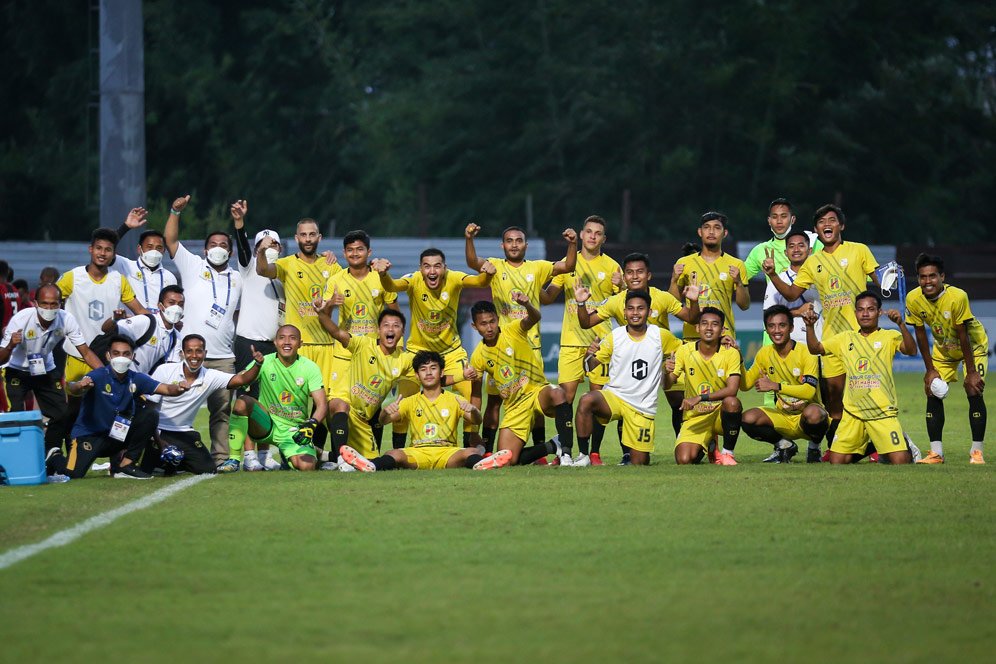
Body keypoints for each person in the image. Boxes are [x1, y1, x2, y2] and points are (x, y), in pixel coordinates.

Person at [763, 204, 879, 451]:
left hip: (861, 338)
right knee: (833, 400)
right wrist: (773, 275)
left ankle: (878, 446)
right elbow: (793, 292)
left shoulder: (859, 251)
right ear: (817, 229)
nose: (827, 224)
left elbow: (880, 282)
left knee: (866, 395)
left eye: (832, 220)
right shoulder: (813, 262)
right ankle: (835, 449)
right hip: (830, 342)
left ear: (841, 226)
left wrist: (891, 283)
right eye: (822, 222)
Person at [464, 223, 577, 455]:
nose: (514, 244)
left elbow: (568, 265)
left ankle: (539, 452)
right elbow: (473, 262)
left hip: (529, 344)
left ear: (525, 245)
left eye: (518, 241)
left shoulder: (537, 267)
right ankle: (487, 449)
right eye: (509, 241)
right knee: (494, 401)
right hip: (498, 346)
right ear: (502, 245)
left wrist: (573, 243)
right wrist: (469, 238)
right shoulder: (494, 266)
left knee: (535, 400)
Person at [374, 248, 495, 447]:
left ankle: (470, 443)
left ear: (444, 268)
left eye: (437, 266)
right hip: (417, 352)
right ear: (420, 269)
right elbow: (392, 286)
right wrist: (383, 274)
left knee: (471, 385)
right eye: (427, 266)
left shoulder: (454, 278)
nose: (432, 271)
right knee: (404, 396)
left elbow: (479, 282)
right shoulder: (413, 280)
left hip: (451, 352)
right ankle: (398, 451)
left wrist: (488, 275)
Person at [577, 252, 700, 440]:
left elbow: (692, 318)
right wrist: (580, 304)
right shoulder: (616, 301)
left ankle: (682, 443)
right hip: (634, 358)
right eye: (630, 272)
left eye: (640, 272)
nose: (634, 276)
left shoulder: (663, 297)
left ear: (649, 275)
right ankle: (626, 453)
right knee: (625, 400)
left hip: (665, 357)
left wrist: (694, 301)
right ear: (624, 276)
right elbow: (587, 322)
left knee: (678, 401)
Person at [163, 194, 244, 467]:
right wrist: (175, 212)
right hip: (187, 355)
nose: (218, 248)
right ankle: (169, 454)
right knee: (174, 406)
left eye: (223, 245)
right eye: (213, 245)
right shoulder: (193, 266)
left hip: (223, 356)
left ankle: (221, 457)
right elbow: (171, 241)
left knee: (221, 412)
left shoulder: (238, 277)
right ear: (204, 250)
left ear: (230, 252)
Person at [45, 335, 190, 479]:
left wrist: (179, 388)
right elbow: (73, 388)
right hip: (90, 435)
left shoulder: (136, 378)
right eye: (116, 353)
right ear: (108, 356)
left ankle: (126, 465)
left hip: (117, 435)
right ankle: (54, 456)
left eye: (126, 354)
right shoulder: (99, 375)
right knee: (73, 474)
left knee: (150, 415)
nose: (121, 358)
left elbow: (166, 389)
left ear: (133, 356)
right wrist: (79, 385)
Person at [340, 351, 510, 472]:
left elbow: (477, 421)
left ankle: (482, 464)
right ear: (417, 375)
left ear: (442, 372)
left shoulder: (454, 399)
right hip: (418, 452)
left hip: (447, 452)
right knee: (393, 453)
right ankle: (371, 466)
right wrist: (385, 411)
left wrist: (473, 410)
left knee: (470, 452)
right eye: (423, 369)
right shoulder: (410, 401)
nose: (428, 373)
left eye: (433, 368)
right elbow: (384, 421)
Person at [541, 215, 621, 463]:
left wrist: (623, 285)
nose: (592, 236)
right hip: (571, 341)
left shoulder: (612, 267)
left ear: (603, 239)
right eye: (589, 231)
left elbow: (625, 305)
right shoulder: (568, 263)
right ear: (582, 234)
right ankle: (564, 450)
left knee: (597, 399)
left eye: (598, 233)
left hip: (601, 343)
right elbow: (547, 297)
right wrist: (533, 282)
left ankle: (593, 453)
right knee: (564, 400)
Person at [803, 291, 917, 464]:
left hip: (881, 412)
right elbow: (815, 349)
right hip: (853, 413)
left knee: (901, 461)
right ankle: (875, 447)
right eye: (860, 310)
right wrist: (810, 327)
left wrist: (901, 324)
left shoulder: (888, 336)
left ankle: (903, 444)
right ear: (855, 312)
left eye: (870, 309)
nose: (865, 314)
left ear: (879, 312)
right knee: (837, 461)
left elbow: (911, 350)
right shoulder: (845, 338)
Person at [576, 290, 683, 466]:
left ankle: (636, 454)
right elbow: (588, 367)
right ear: (624, 312)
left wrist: (720, 341)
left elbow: (686, 350)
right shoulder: (615, 337)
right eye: (631, 309)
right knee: (587, 400)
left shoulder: (660, 335)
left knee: (640, 462)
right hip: (615, 398)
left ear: (649, 312)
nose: (635, 313)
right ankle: (583, 456)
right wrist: (588, 355)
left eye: (640, 309)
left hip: (642, 407)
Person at [465, 298, 574, 466]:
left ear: (497, 319)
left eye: (492, 321)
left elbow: (535, 318)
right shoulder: (478, 355)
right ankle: (553, 445)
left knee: (558, 393)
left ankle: (566, 454)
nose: (489, 328)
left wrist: (527, 305)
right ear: (475, 326)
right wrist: (473, 430)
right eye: (483, 324)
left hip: (537, 391)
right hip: (514, 407)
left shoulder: (513, 330)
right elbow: (477, 395)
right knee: (509, 459)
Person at [0, 284, 103, 456]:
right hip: (16, 370)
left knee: (61, 415)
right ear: (35, 303)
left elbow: (85, 351)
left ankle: (50, 455)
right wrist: (10, 345)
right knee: (15, 417)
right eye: (44, 304)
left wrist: (106, 374)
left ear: (60, 304)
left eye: (54, 304)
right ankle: (17, 458)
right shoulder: (20, 320)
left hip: (45, 370)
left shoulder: (66, 319)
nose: (49, 308)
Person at [905, 254, 988, 464]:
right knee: (932, 390)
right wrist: (930, 370)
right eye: (923, 277)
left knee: (973, 388)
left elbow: (963, 334)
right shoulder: (913, 298)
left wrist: (971, 372)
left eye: (933, 276)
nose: (928, 281)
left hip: (973, 346)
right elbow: (921, 334)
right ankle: (936, 453)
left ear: (942, 277)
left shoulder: (958, 296)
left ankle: (976, 452)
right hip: (944, 349)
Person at [322, 230, 400, 452]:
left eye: (359, 249)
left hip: (374, 353)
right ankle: (340, 457)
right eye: (350, 250)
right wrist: (329, 305)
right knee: (337, 404)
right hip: (345, 352)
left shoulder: (380, 276)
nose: (355, 254)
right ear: (344, 253)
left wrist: (394, 349)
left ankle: (370, 455)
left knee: (372, 408)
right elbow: (324, 318)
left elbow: (394, 315)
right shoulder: (336, 280)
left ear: (369, 252)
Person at [314, 301, 412, 470]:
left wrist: (462, 375)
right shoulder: (364, 344)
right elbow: (337, 332)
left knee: (369, 461)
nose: (390, 329)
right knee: (340, 404)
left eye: (396, 326)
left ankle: (323, 456)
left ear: (402, 332)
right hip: (343, 408)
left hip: (362, 420)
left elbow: (428, 376)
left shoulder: (404, 360)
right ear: (378, 330)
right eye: (386, 325)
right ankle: (340, 460)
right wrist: (322, 314)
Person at [147, 335, 264, 474]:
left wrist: (257, 364)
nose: (194, 356)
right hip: (158, 431)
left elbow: (241, 379)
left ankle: (173, 462)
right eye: (189, 351)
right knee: (147, 466)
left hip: (184, 431)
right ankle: (160, 460)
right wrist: (159, 440)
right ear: (182, 353)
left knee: (207, 469)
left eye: (199, 351)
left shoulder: (210, 376)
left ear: (205, 353)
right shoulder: (164, 370)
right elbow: (148, 410)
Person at [228, 325, 327, 471]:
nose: (286, 342)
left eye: (292, 338)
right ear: (275, 342)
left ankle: (308, 456)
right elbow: (240, 381)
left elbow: (322, 405)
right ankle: (238, 459)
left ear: (300, 343)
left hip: (293, 431)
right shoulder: (265, 361)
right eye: (282, 338)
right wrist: (256, 366)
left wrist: (311, 424)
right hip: (266, 424)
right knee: (242, 402)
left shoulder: (310, 367)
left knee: (307, 466)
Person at [56, 227, 147, 384]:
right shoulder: (72, 277)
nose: (102, 253)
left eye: (108, 250)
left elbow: (140, 311)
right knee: (73, 404)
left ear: (113, 254)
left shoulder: (119, 279)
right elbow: (50, 300)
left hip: (106, 356)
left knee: (105, 404)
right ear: (90, 249)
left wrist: (162, 322)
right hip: (75, 353)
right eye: (98, 248)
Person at [740, 305, 829, 463]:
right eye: (771, 326)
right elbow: (745, 384)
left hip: (807, 415)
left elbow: (809, 392)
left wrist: (776, 386)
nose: (777, 331)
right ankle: (784, 445)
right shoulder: (764, 354)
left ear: (791, 328)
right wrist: (738, 358)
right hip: (782, 416)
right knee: (748, 418)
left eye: (782, 325)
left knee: (815, 414)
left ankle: (814, 448)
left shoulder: (806, 352)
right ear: (766, 330)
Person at [664, 307, 744, 465]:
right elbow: (667, 385)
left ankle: (727, 453)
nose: (709, 328)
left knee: (732, 403)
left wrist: (700, 397)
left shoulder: (730, 352)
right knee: (684, 460)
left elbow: (732, 389)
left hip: (721, 414)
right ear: (697, 327)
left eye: (714, 324)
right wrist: (666, 372)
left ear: (722, 330)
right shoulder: (684, 351)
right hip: (696, 416)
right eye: (704, 323)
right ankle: (708, 444)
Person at [669, 212, 750, 342]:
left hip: (724, 336)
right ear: (700, 232)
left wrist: (739, 283)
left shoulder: (736, 264)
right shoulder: (684, 263)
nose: (711, 232)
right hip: (692, 337)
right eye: (707, 227)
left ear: (725, 233)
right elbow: (673, 304)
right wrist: (673, 281)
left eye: (717, 228)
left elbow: (744, 305)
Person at [99, 285, 184, 374]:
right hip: (117, 376)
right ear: (160, 305)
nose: (176, 308)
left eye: (180, 305)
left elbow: (170, 369)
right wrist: (114, 318)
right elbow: (106, 329)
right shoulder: (146, 321)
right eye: (171, 303)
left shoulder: (176, 337)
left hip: (141, 383)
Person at [762, 229, 823, 343]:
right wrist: (797, 312)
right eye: (791, 246)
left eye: (801, 245)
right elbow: (768, 318)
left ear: (810, 250)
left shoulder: (821, 278)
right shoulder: (776, 281)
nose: (796, 250)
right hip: (789, 347)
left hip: (819, 344)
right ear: (786, 252)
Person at [113, 208, 179, 312]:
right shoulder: (126, 266)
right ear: (139, 249)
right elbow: (108, 247)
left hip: (157, 327)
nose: (154, 251)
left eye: (158, 248)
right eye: (149, 246)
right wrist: (125, 227)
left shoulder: (170, 277)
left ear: (164, 251)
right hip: (130, 325)